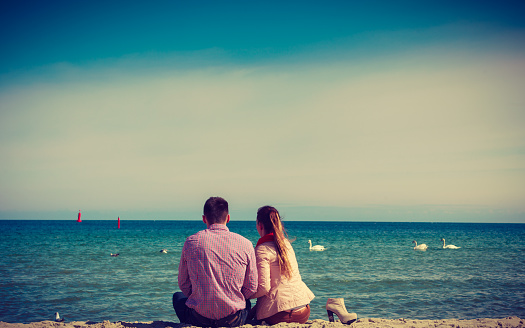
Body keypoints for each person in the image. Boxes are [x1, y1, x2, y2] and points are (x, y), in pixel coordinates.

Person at [173, 197, 258, 327]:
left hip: (199, 319)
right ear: (228, 218)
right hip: (232, 320)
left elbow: (184, 284)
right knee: (246, 303)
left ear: (204, 218)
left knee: (177, 298)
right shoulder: (245, 244)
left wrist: (198, 296)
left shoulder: (191, 242)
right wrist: (234, 297)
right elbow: (251, 287)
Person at [249, 206, 315, 324]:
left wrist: (245, 295)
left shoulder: (262, 250)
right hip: (304, 310)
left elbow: (264, 288)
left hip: (282, 316)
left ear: (260, 225)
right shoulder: (286, 244)